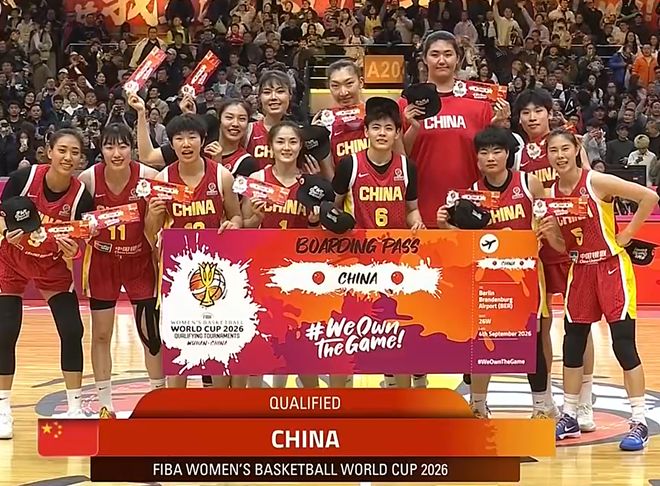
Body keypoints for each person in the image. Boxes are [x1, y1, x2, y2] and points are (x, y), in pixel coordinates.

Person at [437, 126, 564, 418]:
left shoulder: (530, 183)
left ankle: (542, 406)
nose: (491, 157)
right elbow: (467, 241)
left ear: (508, 154)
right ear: (477, 158)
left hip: (526, 275)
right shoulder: (472, 193)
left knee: (533, 341)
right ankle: (478, 406)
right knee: (483, 341)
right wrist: (446, 226)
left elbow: (548, 223)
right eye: (484, 152)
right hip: (489, 277)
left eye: (497, 151)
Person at [548, 129, 658, 451]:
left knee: (623, 345)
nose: (559, 155)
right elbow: (564, 245)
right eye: (553, 150)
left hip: (611, 268)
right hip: (580, 270)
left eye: (565, 148)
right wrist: (550, 236)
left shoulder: (595, 181)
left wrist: (627, 234)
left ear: (576, 149)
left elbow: (649, 197)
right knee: (572, 345)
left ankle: (638, 420)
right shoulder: (552, 193)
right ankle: (570, 415)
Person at [0, 129, 94, 438]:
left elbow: (79, 243)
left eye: (75, 152)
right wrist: (6, 233)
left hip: (51, 266)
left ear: (81, 159)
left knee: (72, 330)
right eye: (62, 150)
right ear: (49, 151)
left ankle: (74, 406)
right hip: (11, 260)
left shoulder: (81, 196)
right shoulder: (23, 179)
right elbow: (1, 216)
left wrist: (73, 250)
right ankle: (2, 409)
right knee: (5, 331)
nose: (68, 157)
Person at [143, 113, 243, 389]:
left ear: (202, 140)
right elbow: (150, 233)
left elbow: (236, 216)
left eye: (192, 137)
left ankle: (218, 405)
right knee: (180, 345)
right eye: (179, 138)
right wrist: (153, 213)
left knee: (218, 343)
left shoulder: (221, 175)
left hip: (216, 271)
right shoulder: (163, 178)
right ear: (171, 144)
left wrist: (234, 224)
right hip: (177, 273)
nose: (186, 144)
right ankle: (177, 409)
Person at [514, 88, 594, 427]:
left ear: (550, 112)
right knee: (541, 328)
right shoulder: (519, 154)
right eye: (526, 112)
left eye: (538, 111)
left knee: (579, 324)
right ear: (519, 118)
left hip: (573, 244)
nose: (532, 117)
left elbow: (589, 186)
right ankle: (545, 399)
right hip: (540, 249)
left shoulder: (570, 144)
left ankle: (584, 402)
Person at [333, 97, 424, 389]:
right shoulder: (350, 165)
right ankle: (344, 391)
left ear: (397, 133)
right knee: (349, 329)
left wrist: (417, 223)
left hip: (396, 260)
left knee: (396, 328)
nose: (382, 133)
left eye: (388, 128)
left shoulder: (407, 167)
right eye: (376, 127)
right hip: (356, 261)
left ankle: (398, 392)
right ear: (366, 132)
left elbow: (412, 209)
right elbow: (334, 207)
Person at [78, 124, 163, 417]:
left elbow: (160, 223)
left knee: (150, 335)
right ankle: (105, 405)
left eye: (123, 146)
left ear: (132, 149)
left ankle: (158, 401)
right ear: (101, 149)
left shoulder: (150, 177)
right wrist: (86, 228)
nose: (117, 153)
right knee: (101, 335)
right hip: (103, 262)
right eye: (110, 146)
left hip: (140, 261)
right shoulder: (88, 179)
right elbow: (77, 224)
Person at [398, 30, 511, 229]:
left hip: (469, 213)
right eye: (435, 54)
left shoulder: (480, 102)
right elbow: (400, 158)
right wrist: (413, 128)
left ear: (458, 58)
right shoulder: (407, 104)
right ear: (424, 59)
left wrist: (497, 125)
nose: (441, 60)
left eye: (448, 54)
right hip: (420, 214)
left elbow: (489, 156)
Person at [242, 121, 321, 389]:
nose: (287, 147)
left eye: (292, 142)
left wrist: (313, 222)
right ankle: (257, 402)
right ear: (270, 147)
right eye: (280, 141)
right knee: (260, 341)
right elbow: (244, 228)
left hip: (300, 273)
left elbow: (318, 237)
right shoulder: (257, 180)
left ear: (300, 147)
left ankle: (310, 397)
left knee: (300, 343)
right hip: (264, 269)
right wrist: (256, 218)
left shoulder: (311, 183)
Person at [316, 59, 370, 180]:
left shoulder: (376, 113)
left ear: (361, 82)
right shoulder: (324, 120)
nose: (343, 92)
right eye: (335, 86)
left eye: (349, 83)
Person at [245, 70, 293, 170]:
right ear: (259, 97)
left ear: (290, 95)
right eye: (267, 92)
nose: (273, 97)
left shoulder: (300, 133)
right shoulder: (247, 131)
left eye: (280, 91)